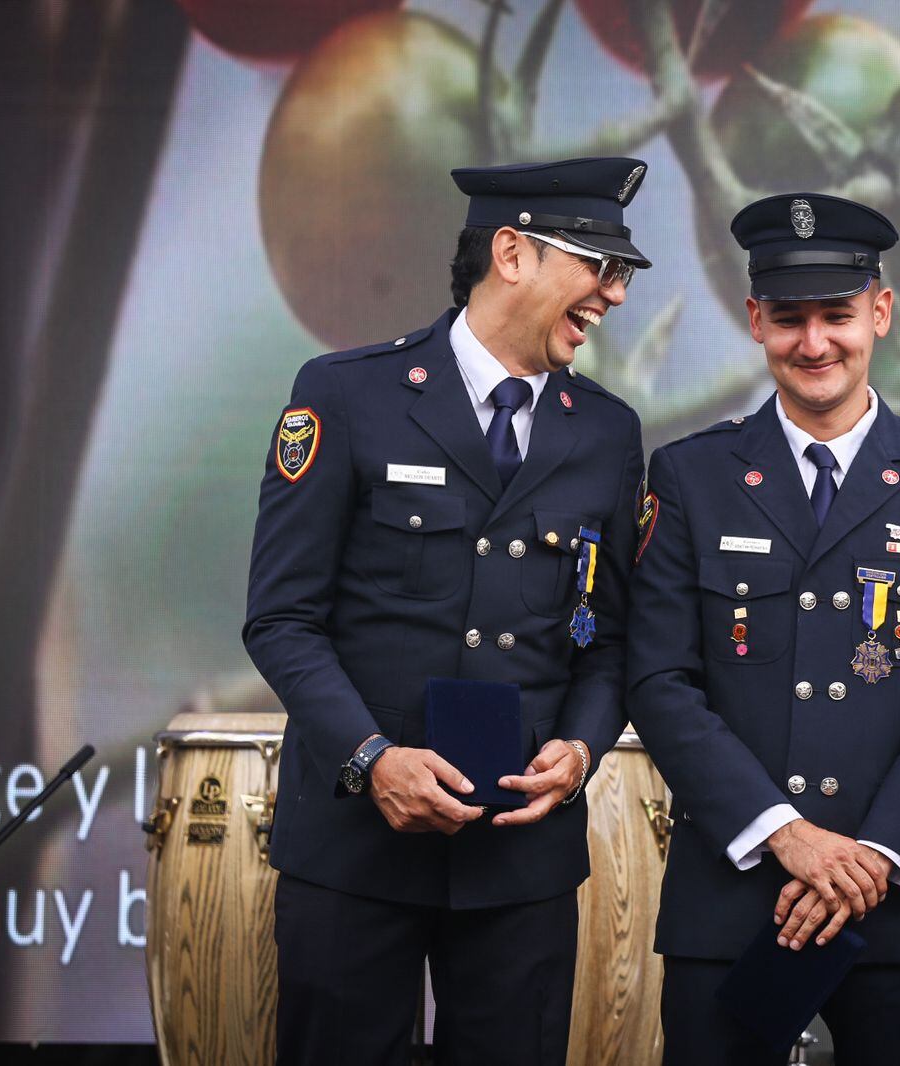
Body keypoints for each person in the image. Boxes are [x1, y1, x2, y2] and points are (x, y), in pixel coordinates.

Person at [243, 156, 651, 1066]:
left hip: (520, 860)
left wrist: (581, 751)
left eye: (621, 275)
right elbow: (281, 619)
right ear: (511, 253)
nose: (613, 296)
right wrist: (369, 758)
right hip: (354, 848)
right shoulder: (345, 396)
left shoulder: (608, 432)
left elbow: (613, 640)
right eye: (598, 267)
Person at [625, 193, 900, 1065]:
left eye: (838, 315)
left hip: (897, 907)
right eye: (790, 319)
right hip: (734, 896)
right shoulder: (690, 476)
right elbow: (659, 680)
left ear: (879, 312)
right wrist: (786, 836)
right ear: (754, 318)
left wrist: (870, 859)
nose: (815, 343)